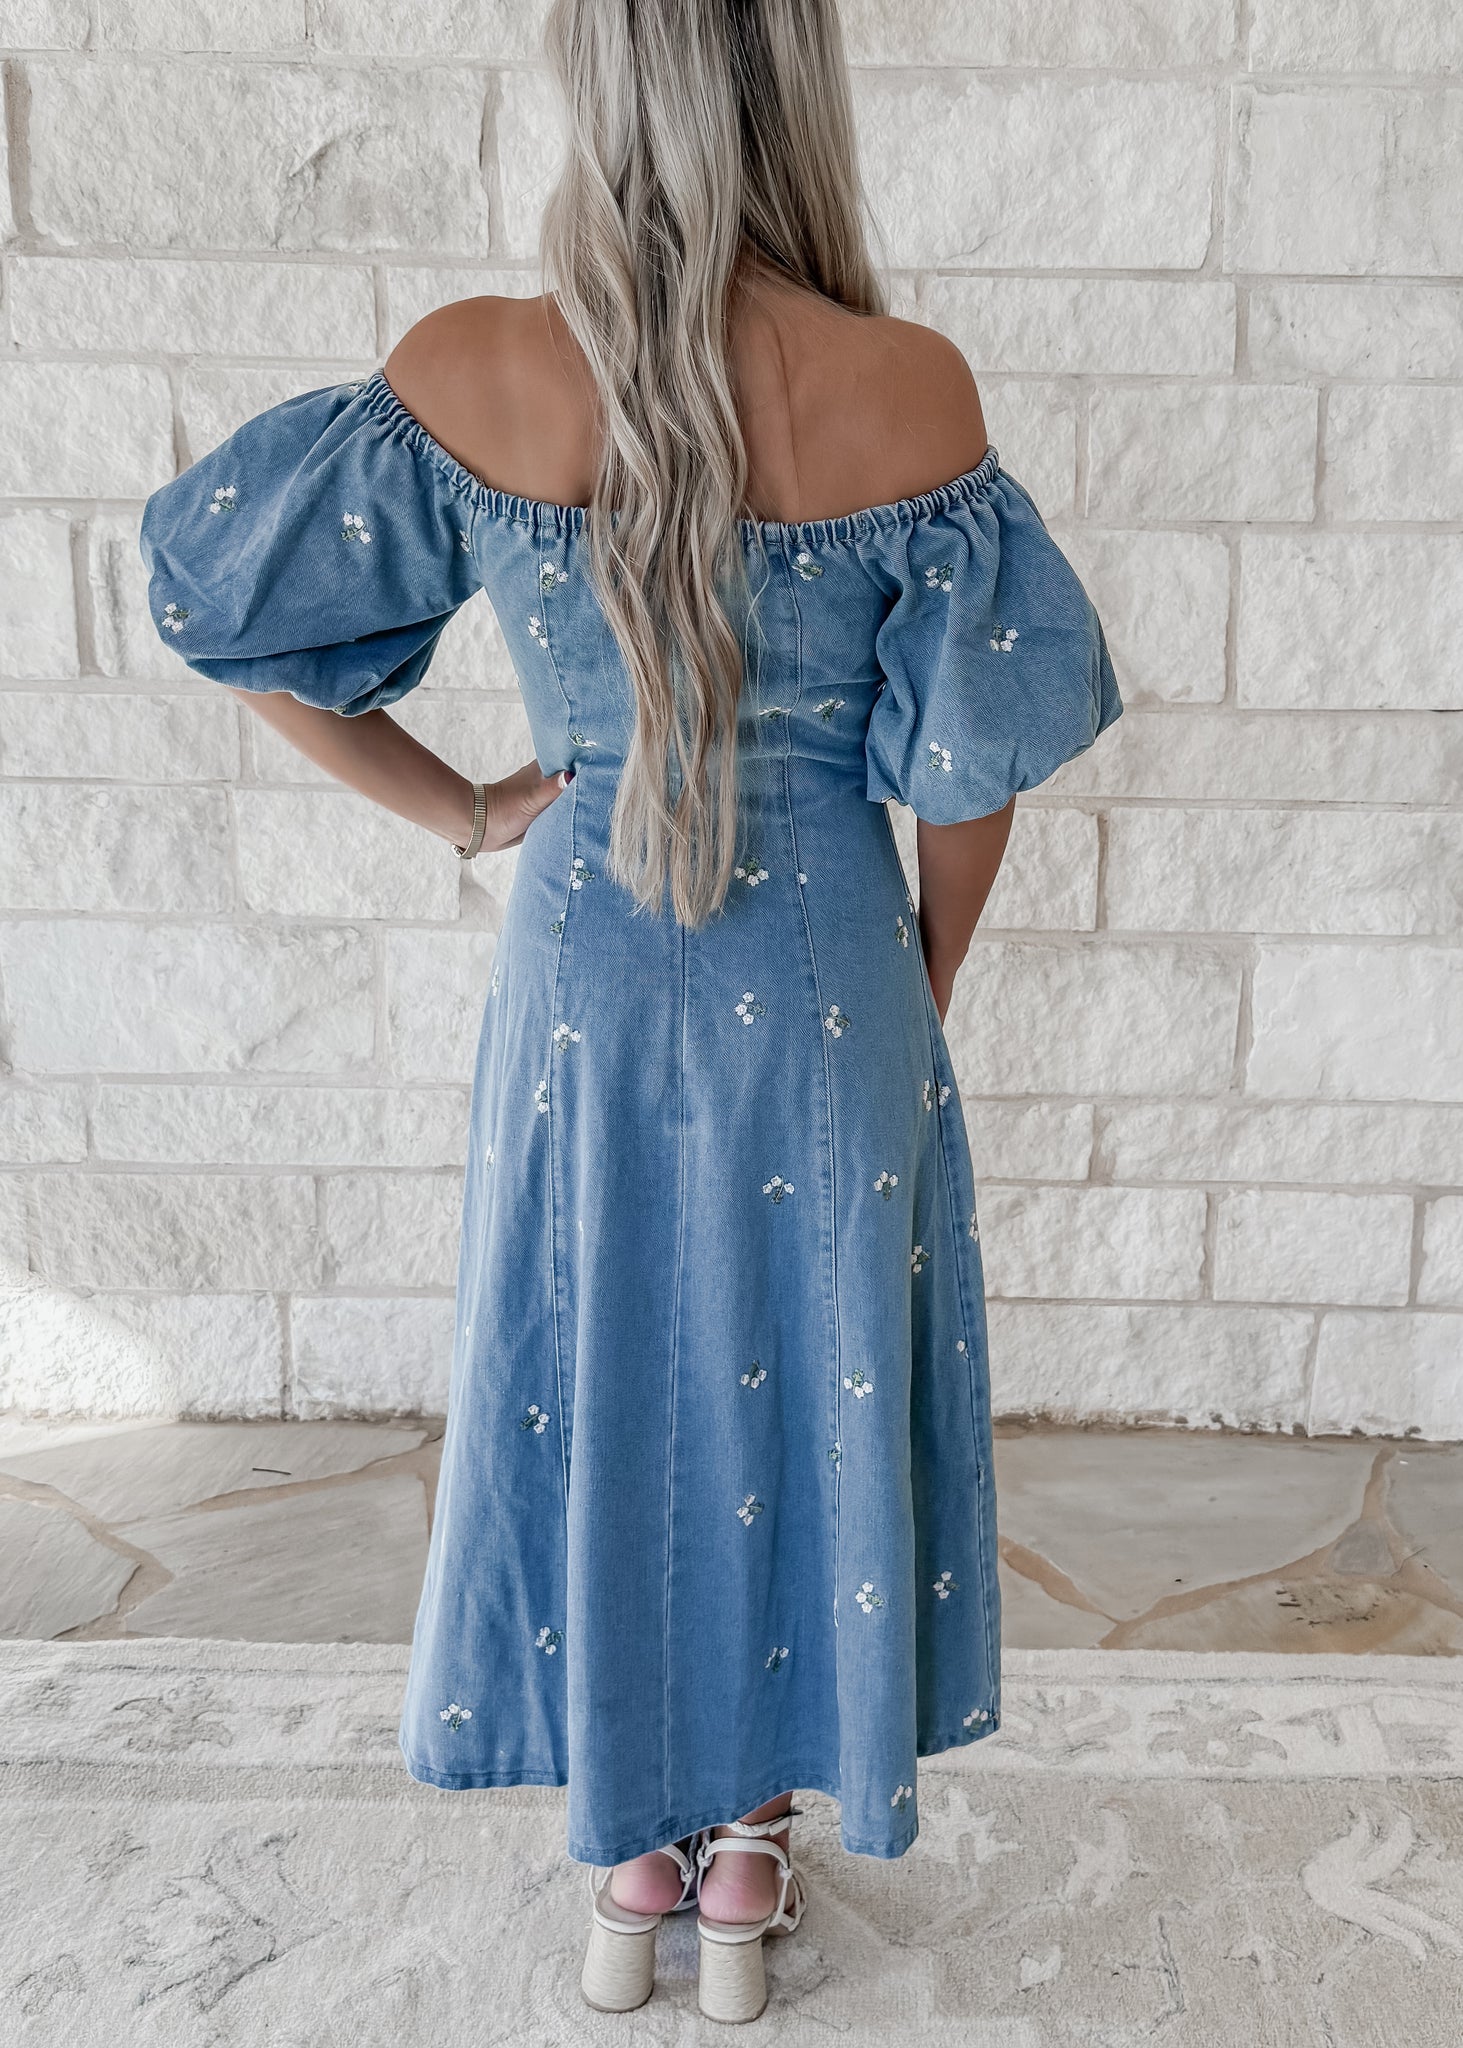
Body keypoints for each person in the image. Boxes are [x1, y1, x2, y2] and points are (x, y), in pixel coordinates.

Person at [139, 0, 1121, 2022]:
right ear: (798, 87)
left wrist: (473, 807)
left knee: (595, 1373)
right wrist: (920, 985)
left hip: (584, 969)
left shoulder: (475, 367)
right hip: (829, 980)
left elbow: (230, 614)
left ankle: (633, 1854)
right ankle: (752, 1852)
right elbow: (972, 772)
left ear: (601, 85)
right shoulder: (911, 389)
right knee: (806, 1379)